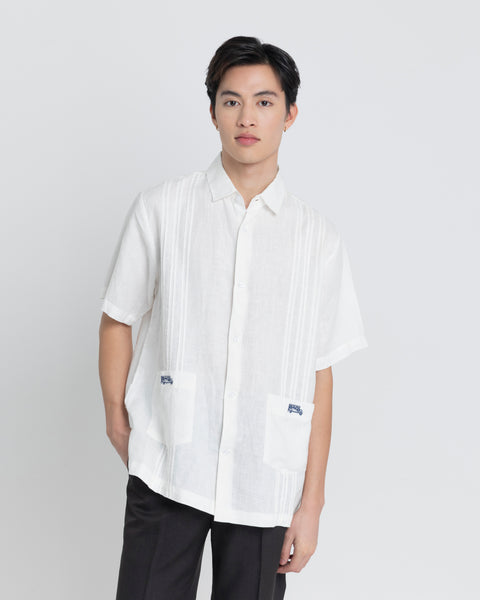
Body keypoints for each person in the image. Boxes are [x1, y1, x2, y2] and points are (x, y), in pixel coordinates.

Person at [98, 35, 368, 600]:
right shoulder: (162, 208)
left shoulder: (317, 239)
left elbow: (319, 371)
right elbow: (118, 317)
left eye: (264, 102)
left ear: (289, 114)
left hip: (264, 479)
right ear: (213, 111)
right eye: (231, 101)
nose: (247, 117)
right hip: (170, 462)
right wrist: (118, 421)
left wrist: (312, 503)